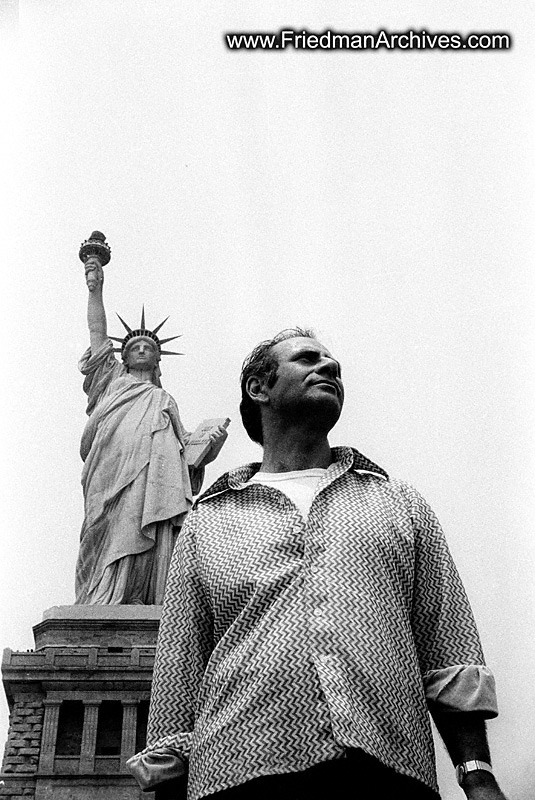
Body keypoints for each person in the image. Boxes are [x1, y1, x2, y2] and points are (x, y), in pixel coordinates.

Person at [128, 328, 508, 799]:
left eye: (334, 364)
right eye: (308, 359)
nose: (328, 367)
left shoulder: (398, 503)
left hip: (387, 772)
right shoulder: (207, 520)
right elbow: (178, 672)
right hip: (236, 776)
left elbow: (449, 648)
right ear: (259, 388)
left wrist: (478, 774)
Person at [74, 254, 227, 605]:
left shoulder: (164, 398)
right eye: (134, 348)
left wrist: (210, 445)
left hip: (156, 476)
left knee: (148, 527)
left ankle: (142, 595)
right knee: (109, 529)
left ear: (157, 359)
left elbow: (185, 447)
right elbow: (97, 333)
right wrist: (95, 288)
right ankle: (103, 597)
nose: (141, 350)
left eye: (148, 348)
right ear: (123, 357)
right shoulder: (110, 381)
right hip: (110, 472)